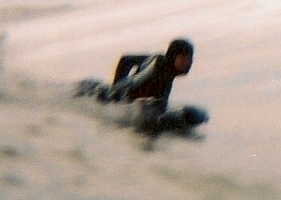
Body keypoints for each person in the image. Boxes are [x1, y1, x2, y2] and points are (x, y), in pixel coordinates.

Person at [75, 38, 208, 134]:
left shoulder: (162, 63)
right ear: (173, 57)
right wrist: (115, 94)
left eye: (190, 58)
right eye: (184, 58)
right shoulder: (157, 67)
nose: (189, 63)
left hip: (133, 101)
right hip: (114, 97)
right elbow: (129, 69)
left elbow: (127, 59)